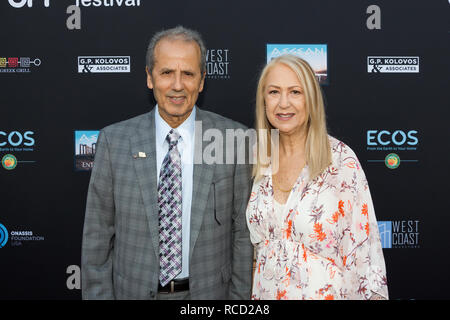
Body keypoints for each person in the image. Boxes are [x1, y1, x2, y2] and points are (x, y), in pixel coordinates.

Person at [81, 26, 253, 300]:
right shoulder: (115, 142)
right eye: (166, 73)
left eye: (188, 74)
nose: (177, 85)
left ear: (202, 81)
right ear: (150, 78)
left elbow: (243, 235)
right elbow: (97, 237)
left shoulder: (233, 139)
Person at [246, 54, 388, 300]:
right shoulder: (257, 159)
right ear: (263, 100)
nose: (283, 103)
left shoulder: (341, 161)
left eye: (295, 92)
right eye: (274, 92)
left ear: (311, 99)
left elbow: (366, 253)